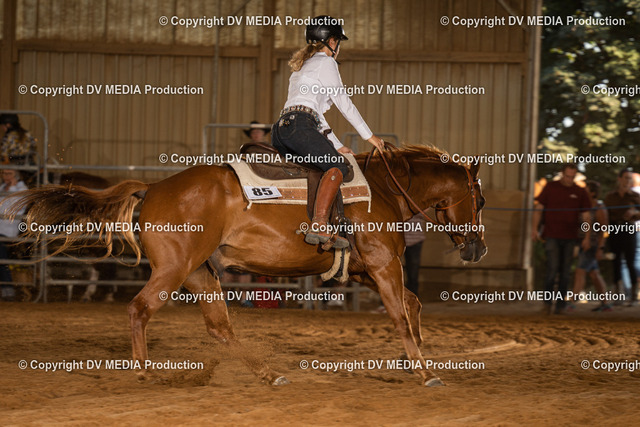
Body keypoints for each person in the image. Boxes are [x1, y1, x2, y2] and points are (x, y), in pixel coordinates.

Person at [271, 15, 385, 249]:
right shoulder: (326, 63)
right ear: (332, 42)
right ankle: (320, 224)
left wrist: (337, 144)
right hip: (301, 127)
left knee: (319, 167)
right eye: (338, 42)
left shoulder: (302, 67)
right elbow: (344, 102)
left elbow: (316, 116)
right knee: (338, 167)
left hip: (282, 130)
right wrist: (369, 136)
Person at [532, 163, 592, 314]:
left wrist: (587, 236)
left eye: (572, 177)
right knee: (552, 269)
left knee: (565, 272)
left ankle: (561, 305)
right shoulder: (550, 187)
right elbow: (539, 209)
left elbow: (586, 217)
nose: (569, 179)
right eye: (567, 176)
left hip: (570, 237)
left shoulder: (580, 191)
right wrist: (534, 229)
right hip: (551, 235)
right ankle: (547, 303)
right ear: (562, 174)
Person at [568, 181, 611, 312]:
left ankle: (572, 302)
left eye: (586, 190)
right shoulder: (584, 207)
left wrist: (600, 248)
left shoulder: (599, 208)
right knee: (594, 274)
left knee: (580, 272)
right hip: (583, 243)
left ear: (592, 193)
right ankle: (605, 303)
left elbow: (604, 230)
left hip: (592, 245)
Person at [604, 168, 640, 306]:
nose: (628, 181)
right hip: (614, 229)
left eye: (630, 178)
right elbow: (605, 214)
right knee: (616, 261)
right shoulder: (610, 196)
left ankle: (633, 295)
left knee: (631, 261)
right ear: (619, 179)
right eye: (626, 178)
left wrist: (635, 213)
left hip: (629, 228)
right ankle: (618, 294)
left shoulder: (635, 196)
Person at [0, 168, 28, 301]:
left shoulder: (22, 189)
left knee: (1, 257)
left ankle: (8, 289)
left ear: (16, 175)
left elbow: (14, 207)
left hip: (8, 231)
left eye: (9, 173)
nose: (6, 176)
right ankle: (7, 289)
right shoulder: (2, 188)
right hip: (2, 229)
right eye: (4, 173)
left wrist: (11, 188)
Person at [404, 214, 426, 298]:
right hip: (398, 238)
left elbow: (424, 210)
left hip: (415, 238)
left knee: (413, 272)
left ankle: (412, 298)